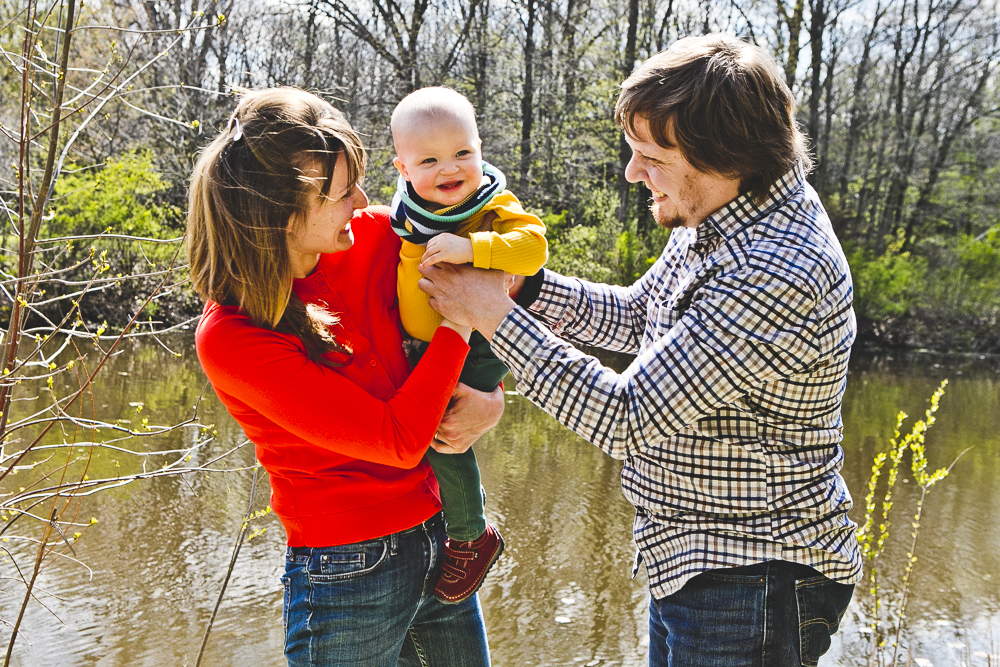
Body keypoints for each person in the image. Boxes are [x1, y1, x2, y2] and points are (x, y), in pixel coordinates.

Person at [419, 34, 861, 666]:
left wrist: (490, 313)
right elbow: (638, 316)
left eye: (649, 155)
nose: (632, 172)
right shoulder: (724, 211)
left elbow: (629, 417)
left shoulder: (778, 266)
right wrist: (527, 286)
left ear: (721, 156)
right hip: (703, 564)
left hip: (754, 577)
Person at [187, 87, 502, 667]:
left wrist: (493, 399)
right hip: (349, 569)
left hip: (444, 538)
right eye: (340, 192)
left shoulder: (377, 236)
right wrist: (461, 319)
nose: (362, 199)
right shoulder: (232, 335)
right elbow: (401, 439)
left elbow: (493, 295)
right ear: (280, 214)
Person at [389, 86, 548, 604]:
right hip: (430, 340)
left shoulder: (493, 204)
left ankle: (470, 535)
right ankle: (454, 520)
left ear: (480, 148)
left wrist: (473, 246)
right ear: (403, 169)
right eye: (429, 159)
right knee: (422, 426)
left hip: (480, 338)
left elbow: (534, 250)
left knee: (442, 428)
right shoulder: (407, 213)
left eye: (463, 153)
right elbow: (409, 293)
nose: (450, 169)